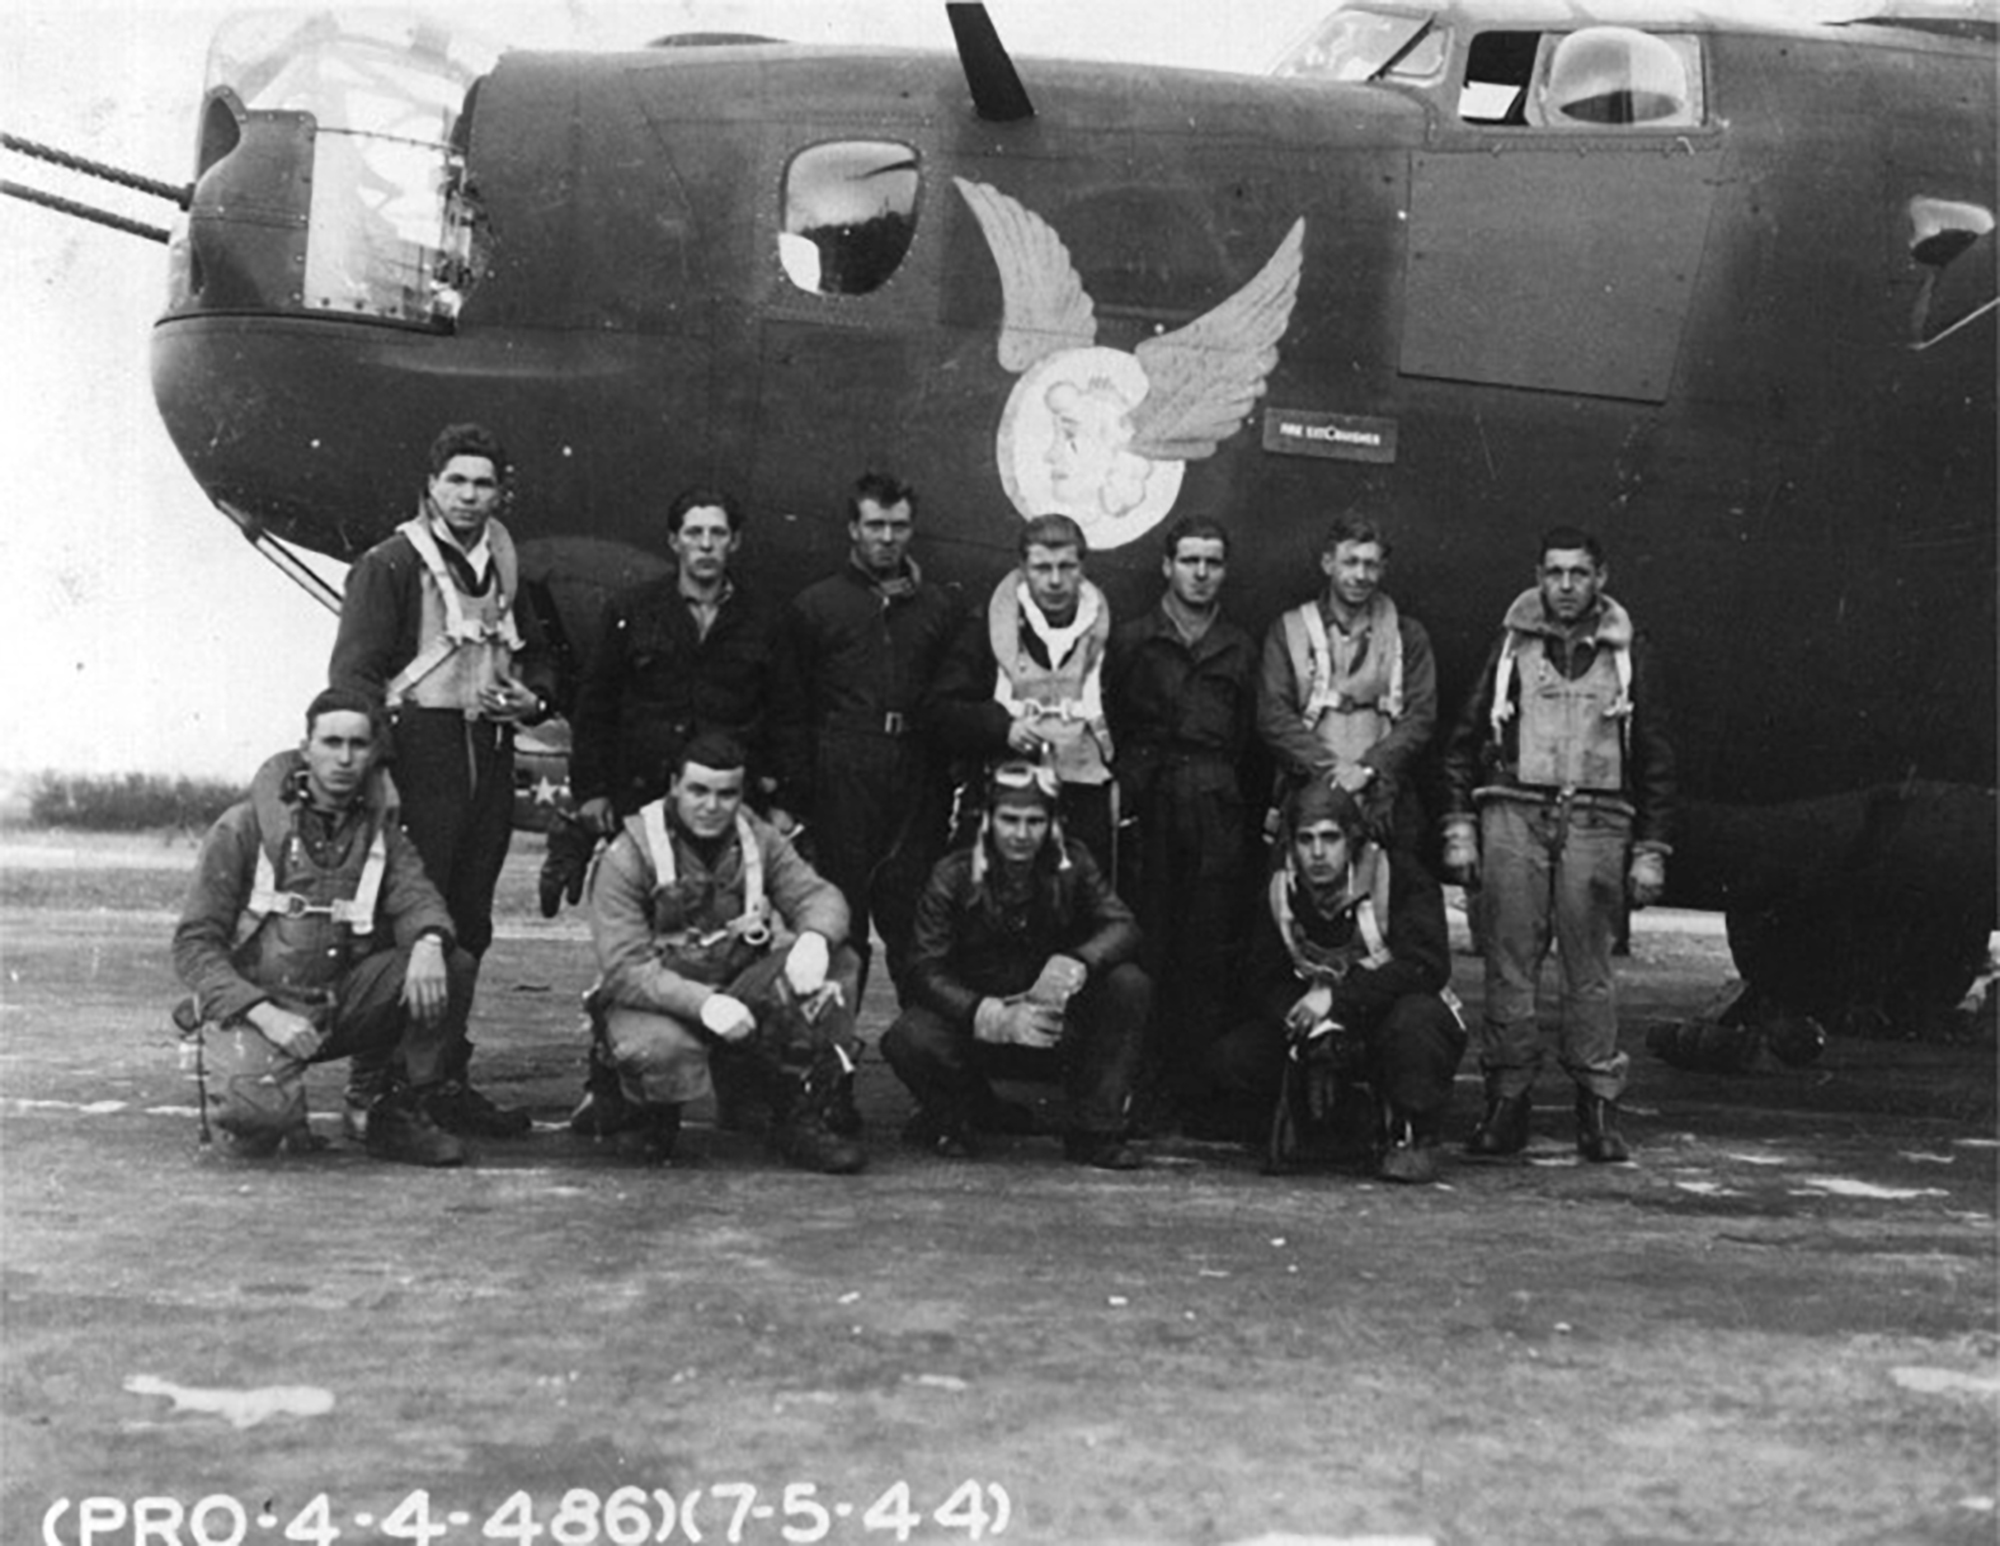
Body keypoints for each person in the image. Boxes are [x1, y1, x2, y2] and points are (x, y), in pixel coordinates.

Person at [328, 421, 553, 1138]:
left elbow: (548, 662)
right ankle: (376, 1087)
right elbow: (355, 678)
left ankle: (440, 1078)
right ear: (430, 485)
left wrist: (533, 700)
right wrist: (380, 772)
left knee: (469, 924)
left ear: (500, 492)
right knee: (406, 924)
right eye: (456, 480)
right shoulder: (389, 565)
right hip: (416, 755)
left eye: (483, 483)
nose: (469, 495)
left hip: (486, 754)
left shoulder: (511, 568)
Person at [1440, 525, 1676, 1163]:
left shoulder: (1630, 655)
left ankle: (1598, 1109)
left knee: (1590, 973)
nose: (1565, 586)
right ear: (1538, 575)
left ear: (1602, 578)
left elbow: (1654, 755)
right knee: (1509, 966)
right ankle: (1507, 1102)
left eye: (1578, 573)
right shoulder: (1511, 646)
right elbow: (1464, 741)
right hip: (1513, 815)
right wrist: (1460, 827)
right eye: (1553, 573)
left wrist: (1651, 848)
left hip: (1599, 820)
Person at [172, 689, 474, 1166]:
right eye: (331, 742)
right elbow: (193, 947)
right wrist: (266, 1014)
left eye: (358, 745)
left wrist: (430, 940)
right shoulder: (242, 828)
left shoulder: (380, 834)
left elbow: (418, 898)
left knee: (452, 965)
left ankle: (391, 1107)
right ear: (306, 748)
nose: (345, 758)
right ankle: (246, 1075)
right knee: (256, 1132)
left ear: (374, 754)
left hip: (337, 1002)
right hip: (260, 1006)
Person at [570, 732, 867, 1174]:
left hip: (737, 990)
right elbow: (625, 970)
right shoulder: (629, 854)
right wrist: (703, 1003)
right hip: (659, 999)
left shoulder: (758, 838)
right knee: (658, 1052)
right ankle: (643, 1107)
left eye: (727, 793)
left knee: (838, 965)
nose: (712, 806)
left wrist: (815, 939)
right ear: (674, 785)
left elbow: (818, 897)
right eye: (698, 790)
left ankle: (800, 1112)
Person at [882, 760, 1150, 1170]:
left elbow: (1123, 925)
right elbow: (923, 968)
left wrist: (1076, 962)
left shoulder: (1073, 863)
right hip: (978, 1025)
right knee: (909, 1036)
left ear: (1051, 824)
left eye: (1034, 821)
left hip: (1051, 1023)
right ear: (988, 820)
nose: (1022, 834)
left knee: (1128, 984)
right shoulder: (952, 875)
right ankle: (960, 1115)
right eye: (1009, 819)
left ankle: (1096, 1130)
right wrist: (985, 1012)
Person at [1205, 782, 1465, 1183]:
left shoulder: (1400, 876)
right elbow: (1261, 977)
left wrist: (1340, 1000)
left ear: (1353, 839)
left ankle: (1414, 1135)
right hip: (1318, 1023)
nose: (1318, 853)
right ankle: (1329, 1127)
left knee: (1417, 1022)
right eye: (1306, 840)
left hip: (1389, 1017)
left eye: (1330, 838)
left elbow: (1426, 965)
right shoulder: (1280, 891)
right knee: (1236, 1057)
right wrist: (1303, 1020)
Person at [771, 472, 961, 1006]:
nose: (887, 537)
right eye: (875, 524)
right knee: (839, 931)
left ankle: (930, 1061)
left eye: (898, 526)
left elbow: (952, 701)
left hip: (913, 778)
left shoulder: (939, 609)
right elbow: (792, 710)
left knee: (918, 931)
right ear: (852, 529)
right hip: (842, 779)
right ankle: (832, 1071)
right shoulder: (816, 606)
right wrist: (801, 795)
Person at [549, 487, 787, 910]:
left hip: (728, 800)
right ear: (674, 541)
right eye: (694, 532)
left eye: (718, 532)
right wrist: (592, 791)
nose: (707, 544)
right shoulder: (632, 610)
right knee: (642, 918)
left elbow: (787, 714)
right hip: (644, 796)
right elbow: (596, 706)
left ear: (736, 542)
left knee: (723, 923)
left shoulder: (765, 618)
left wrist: (785, 802)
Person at [1104, 515, 1263, 1127]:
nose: (1201, 574)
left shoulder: (1240, 648)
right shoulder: (1134, 640)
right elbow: (1111, 721)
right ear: (1166, 566)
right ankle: (1134, 1084)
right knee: (1148, 941)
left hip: (1215, 806)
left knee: (1206, 949)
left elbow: (1249, 740)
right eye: (1190, 560)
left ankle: (1195, 1090)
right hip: (1149, 803)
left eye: (1213, 562)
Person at [926, 513, 1117, 864]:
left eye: (1067, 566)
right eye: (1042, 568)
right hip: (1002, 805)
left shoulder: (1106, 635)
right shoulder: (986, 630)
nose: (1055, 581)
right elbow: (940, 711)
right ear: (1022, 568)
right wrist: (1002, 727)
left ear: (1083, 568)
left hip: (1080, 809)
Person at [1256, 510, 1438, 845]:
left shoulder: (1408, 636)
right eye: (1350, 562)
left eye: (1371, 564)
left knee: (1392, 886)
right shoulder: (1289, 630)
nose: (1360, 575)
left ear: (1383, 569)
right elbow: (1273, 716)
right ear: (1328, 563)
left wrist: (1369, 770)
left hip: (1385, 796)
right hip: (1309, 793)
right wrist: (1332, 771)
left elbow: (1420, 716)